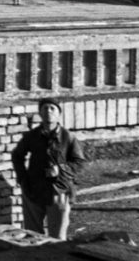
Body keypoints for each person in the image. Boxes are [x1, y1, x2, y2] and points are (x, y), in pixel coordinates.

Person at [11, 98, 84, 240]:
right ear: (40, 113)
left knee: (57, 237)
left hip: (59, 191)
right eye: (45, 108)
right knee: (32, 235)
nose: (48, 111)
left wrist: (60, 170)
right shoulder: (32, 136)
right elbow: (17, 155)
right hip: (33, 191)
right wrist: (23, 180)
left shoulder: (68, 137)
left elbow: (79, 162)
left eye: (52, 108)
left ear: (59, 114)